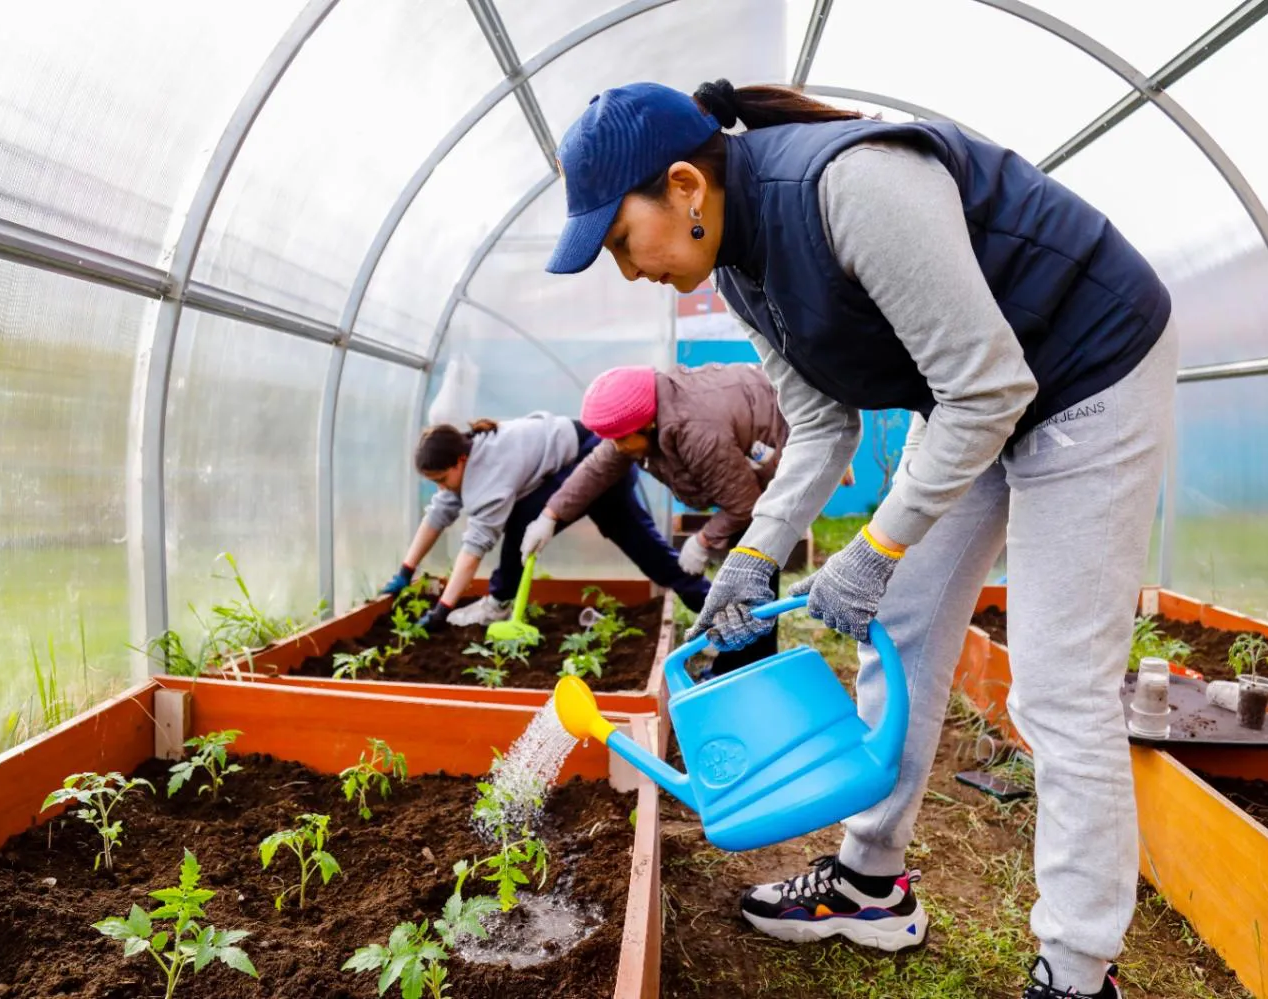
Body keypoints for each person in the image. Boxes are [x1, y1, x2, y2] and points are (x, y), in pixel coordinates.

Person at [544, 78, 1176, 999]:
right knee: (905, 633)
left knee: (1058, 686)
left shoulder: (853, 186)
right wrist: (755, 555)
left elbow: (990, 388)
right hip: (963, 395)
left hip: (1086, 369)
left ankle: (1080, 972)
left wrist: (876, 547)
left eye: (617, 241)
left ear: (684, 186)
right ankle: (869, 885)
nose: (628, 268)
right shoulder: (736, 266)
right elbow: (820, 423)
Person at [521, 361, 789, 673]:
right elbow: (598, 467)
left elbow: (745, 505)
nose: (618, 446)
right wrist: (550, 515)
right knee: (745, 569)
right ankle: (739, 663)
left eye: (622, 439)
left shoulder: (695, 429)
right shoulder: (646, 418)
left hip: (777, 444)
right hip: (747, 446)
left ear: (647, 425)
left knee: (752, 568)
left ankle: (747, 671)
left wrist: (702, 541)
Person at [380, 413, 707, 629]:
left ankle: (497, 604)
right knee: (643, 545)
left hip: (595, 457)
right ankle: (708, 606)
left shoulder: (488, 477)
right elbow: (438, 514)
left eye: (440, 478)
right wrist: (405, 572)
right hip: (587, 451)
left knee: (526, 520)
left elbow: (474, 547)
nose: (440, 486)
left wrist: (442, 610)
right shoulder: (467, 456)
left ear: (460, 461)